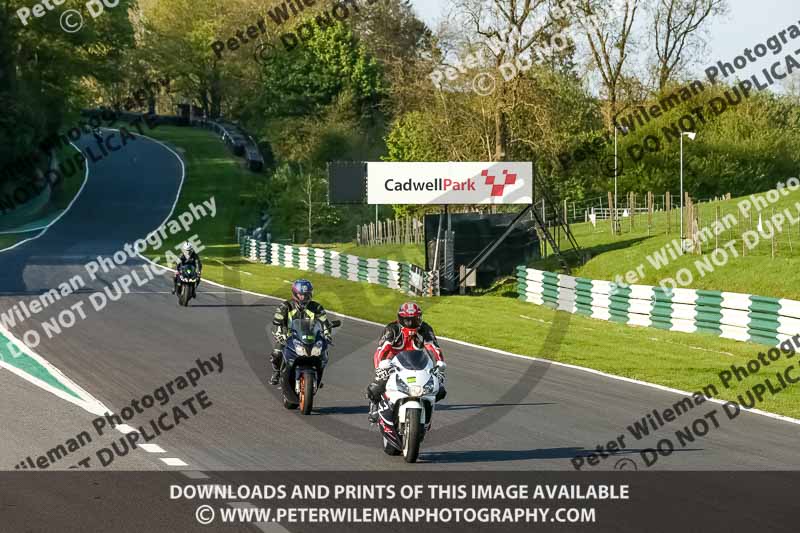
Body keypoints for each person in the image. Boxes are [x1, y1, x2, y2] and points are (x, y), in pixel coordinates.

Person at [365, 302, 446, 423]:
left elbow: (434, 347)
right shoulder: (392, 329)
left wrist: (440, 363)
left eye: (415, 320)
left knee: (440, 389)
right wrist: (379, 368)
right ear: (400, 319)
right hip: (393, 362)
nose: (411, 323)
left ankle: (426, 409)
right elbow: (381, 351)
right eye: (408, 320)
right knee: (379, 384)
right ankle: (374, 405)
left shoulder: (425, 329)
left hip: (418, 362)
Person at [270, 280, 333, 385]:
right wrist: (279, 333)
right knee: (277, 353)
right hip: (288, 337)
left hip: (310, 338)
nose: (304, 297)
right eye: (301, 295)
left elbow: (324, 322)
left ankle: (317, 376)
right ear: (295, 294)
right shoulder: (285, 306)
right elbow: (278, 320)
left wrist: (327, 334)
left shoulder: (317, 307)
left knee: (323, 353)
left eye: (307, 295)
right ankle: (277, 372)